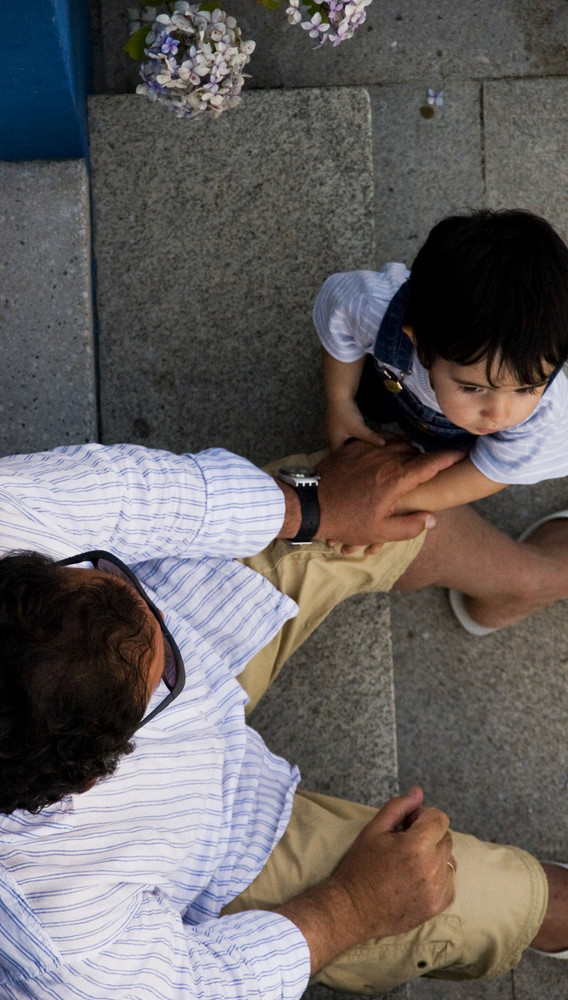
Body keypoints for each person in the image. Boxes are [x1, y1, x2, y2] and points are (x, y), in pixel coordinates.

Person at [0, 436, 567, 1000]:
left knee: (383, 495)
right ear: (95, 775)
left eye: (105, 573)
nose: (149, 607)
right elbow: (196, 988)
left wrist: (309, 508)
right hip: (210, 850)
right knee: (494, 901)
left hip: (201, 619)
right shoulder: (50, 938)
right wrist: (349, 908)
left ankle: (528, 577)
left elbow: (127, 495)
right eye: (165, 677)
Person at [314, 208, 568, 514]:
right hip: (391, 384)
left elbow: (493, 469)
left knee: (454, 463)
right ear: (418, 341)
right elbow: (338, 310)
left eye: (526, 389)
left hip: (453, 443)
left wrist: (395, 502)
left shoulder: (545, 414)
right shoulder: (375, 312)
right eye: (473, 388)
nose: (499, 414)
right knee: (371, 395)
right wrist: (340, 401)